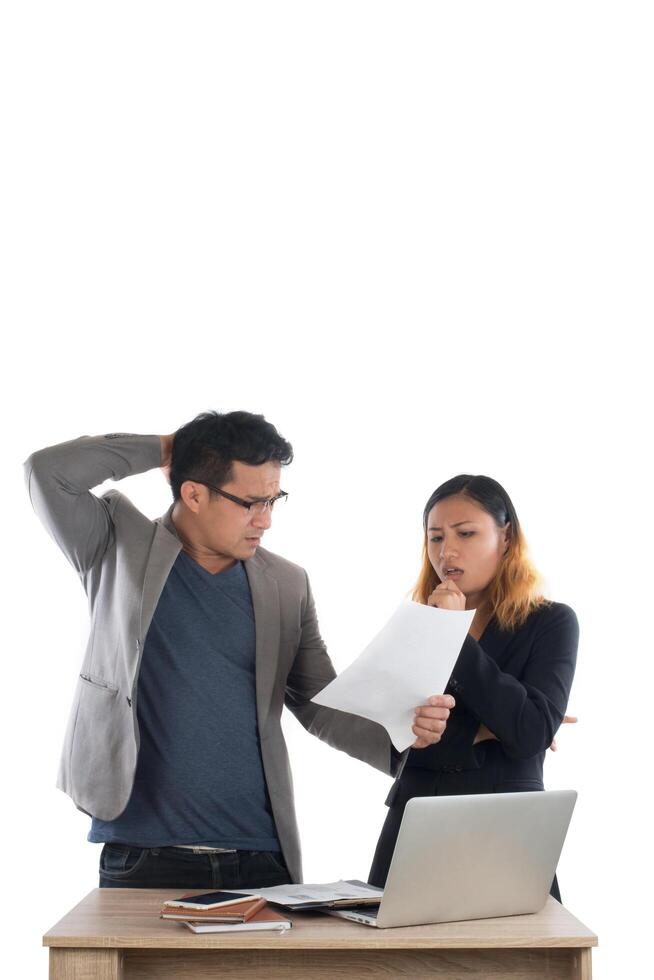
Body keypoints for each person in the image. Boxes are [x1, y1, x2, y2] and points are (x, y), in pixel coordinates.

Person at [24, 411, 453, 890]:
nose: (266, 520)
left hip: (261, 856)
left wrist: (404, 734)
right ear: (194, 492)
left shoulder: (287, 584)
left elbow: (320, 704)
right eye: (251, 503)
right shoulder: (116, 546)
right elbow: (48, 471)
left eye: (273, 500)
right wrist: (170, 447)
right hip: (143, 853)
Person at [369, 474, 578, 902]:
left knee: (522, 965)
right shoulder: (414, 624)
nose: (447, 551)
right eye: (435, 537)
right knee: (395, 966)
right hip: (414, 821)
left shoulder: (551, 622)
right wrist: (485, 730)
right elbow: (395, 746)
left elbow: (528, 732)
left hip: (507, 826)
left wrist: (453, 635)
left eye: (466, 534)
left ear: (505, 537)